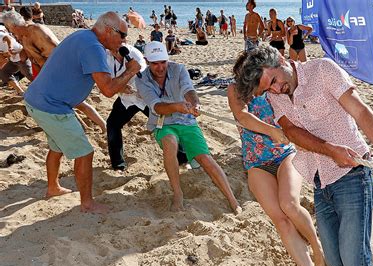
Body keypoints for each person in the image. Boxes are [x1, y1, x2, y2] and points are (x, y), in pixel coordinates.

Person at [233, 46, 373, 266]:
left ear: (281, 59)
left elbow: (362, 112)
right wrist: (330, 150)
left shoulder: (322, 69)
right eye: (266, 89)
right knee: (339, 264)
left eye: (273, 81)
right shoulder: (277, 97)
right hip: (320, 181)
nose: (274, 90)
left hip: (353, 176)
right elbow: (292, 131)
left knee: (355, 265)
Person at [23, 12, 141, 214]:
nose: (124, 40)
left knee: (57, 147)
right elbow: (107, 90)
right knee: (85, 152)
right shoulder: (93, 47)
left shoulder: (83, 36)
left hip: (36, 99)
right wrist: (130, 70)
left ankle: (53, 188)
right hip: (52, 105)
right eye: (122, 35)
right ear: (108, 30)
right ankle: (87, 203)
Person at [227, 77, 326, 266]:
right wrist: (270, 130)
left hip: (285, 156)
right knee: (281, 221)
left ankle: (317, 249)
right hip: (256, 163)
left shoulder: (275, 89)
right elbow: (242, 116)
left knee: (289, 204)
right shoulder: (236, 89)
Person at [136, 41, 241, 213]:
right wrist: (177, 106)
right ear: (147, 61)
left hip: (186, 121)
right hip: (163, 122)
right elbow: (156, 107)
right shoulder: (141, 79)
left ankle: (232, 199)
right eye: (155, 63)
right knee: (169, 141)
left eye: (163, 62)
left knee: (205, 158)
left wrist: (195, 104)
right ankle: (178, 194)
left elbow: (189, 90)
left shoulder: (179, 69)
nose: (160, 67)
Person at [106, 43, 148, 171]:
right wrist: (121, 87)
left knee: (164, 123)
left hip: (145, 98)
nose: (114, 49)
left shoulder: (134, 53)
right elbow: (107, 83)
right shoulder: (105, 56)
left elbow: (144, 76)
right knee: (113, 124)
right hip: (126, 99)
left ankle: (182, 157)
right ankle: (118, 164)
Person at [2, 11, 59, 79]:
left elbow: (57, 52)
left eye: (9, 29)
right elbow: (25, 58)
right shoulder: (23, 37)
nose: (10, 32)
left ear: (14, 26)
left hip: (57, 69)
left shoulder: (37, 30)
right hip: (45, 72)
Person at [0, 30, 33, 95]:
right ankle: (20, 91)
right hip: (12, 59)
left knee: (29, 75)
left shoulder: (0, 34)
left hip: (21, 56)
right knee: (4, 73)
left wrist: (10, 47)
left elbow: (8, 38)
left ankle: (42, 87)